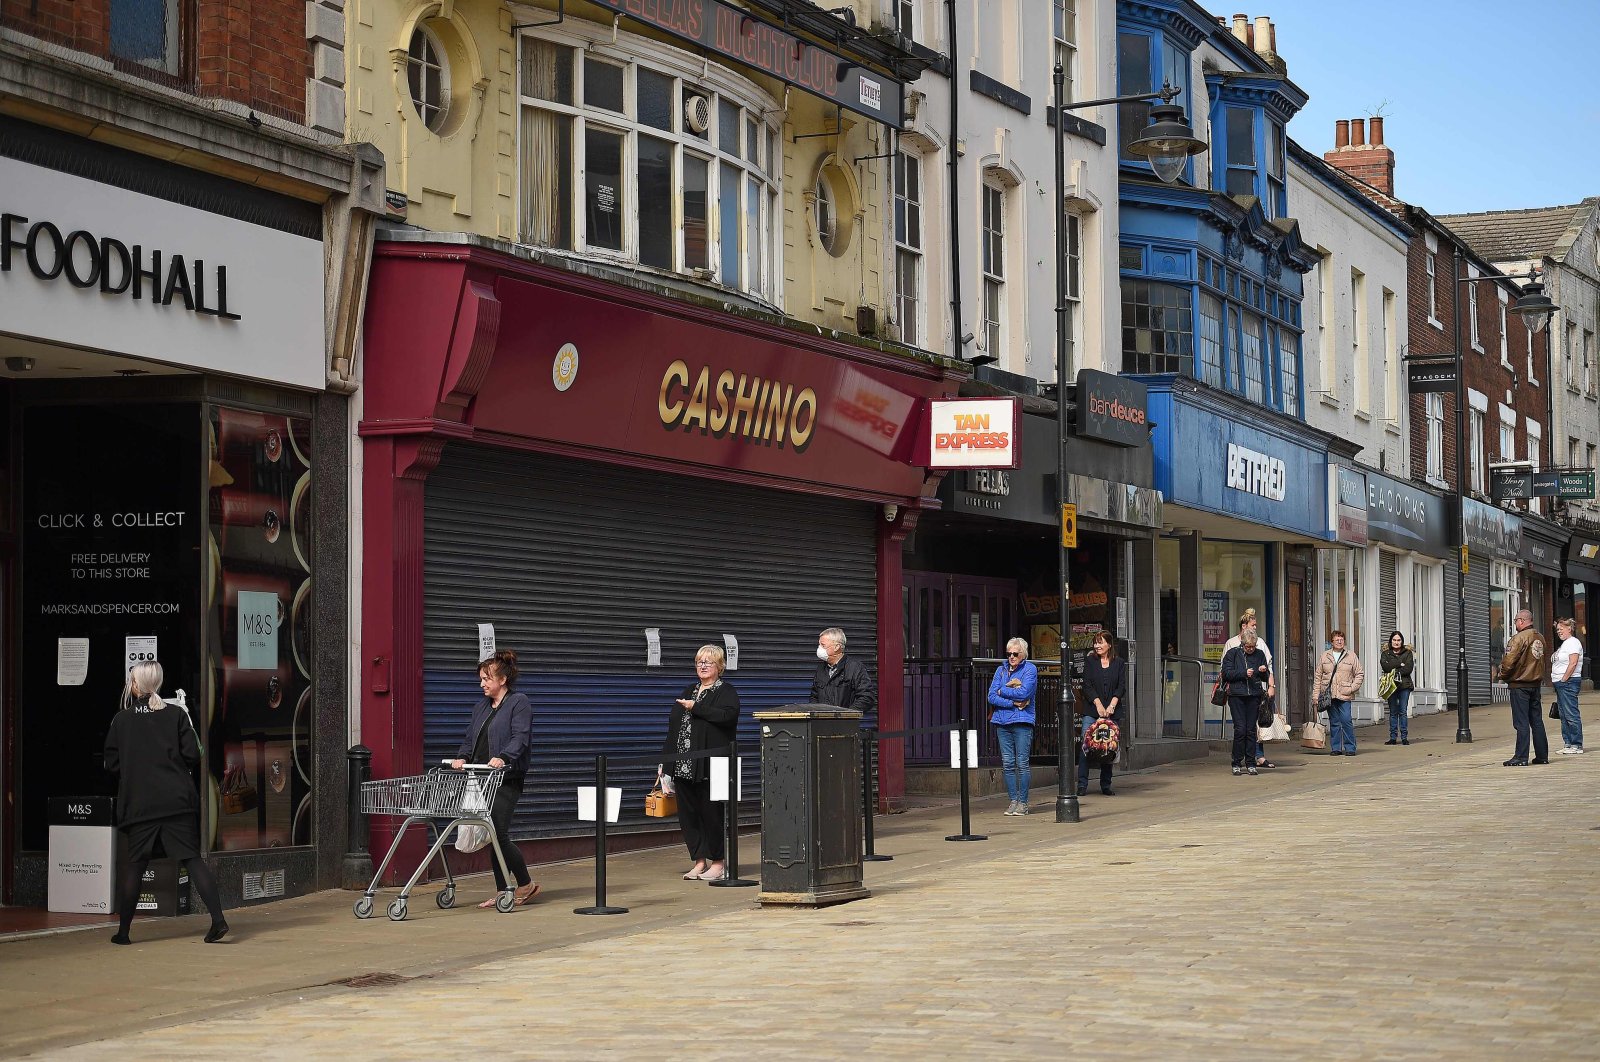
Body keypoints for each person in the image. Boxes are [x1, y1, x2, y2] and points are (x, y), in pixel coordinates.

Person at [102, 662, 229, 945]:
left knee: (135, 866)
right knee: (193, 860)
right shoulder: (176, 715)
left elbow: (111, 763)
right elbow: (194, 754)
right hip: (176, 801)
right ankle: (218, 920)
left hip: (140, 805)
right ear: (157, 684)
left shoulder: (121, 720)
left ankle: (123, 933)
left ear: (135, 686)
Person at [451, 649, 538, 908]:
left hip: (507, 777)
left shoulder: (519, 702)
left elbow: (520, 737)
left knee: (498, 832)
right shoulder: (481, 707)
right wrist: (462, 758)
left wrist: (504, 756)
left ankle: (526, 885)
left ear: (502, 679)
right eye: (480, 679)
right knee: (491, 834)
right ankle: (504, 891)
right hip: (481, 778)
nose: (482, 684)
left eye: (487, 679)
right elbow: (470, 739)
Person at [663, 645, 741, 882]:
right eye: (699, 662)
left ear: (719, 666)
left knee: (712, 815)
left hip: (712, 766)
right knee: (689, 816)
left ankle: (718, 862)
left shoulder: (725, 691)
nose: (703, 666)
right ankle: (699, 862)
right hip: (684, 766)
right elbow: (673, 730)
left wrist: (697, 708)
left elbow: (727, 717)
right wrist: (666, 767)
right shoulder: (690, 690)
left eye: (708, 662)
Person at [987, 637, 1038, 815]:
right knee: (1008, 763)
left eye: (1015, 654)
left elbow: (1025, 692)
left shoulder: (1030, 669)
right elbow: (991, 696)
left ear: (1023, 654)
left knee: (1022, 763)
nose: (1012, 657)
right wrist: (1013, 702)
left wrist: (1003, 690)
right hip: (1002, 721)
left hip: (1022, 721)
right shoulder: (1000, 670)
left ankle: (1023, 803)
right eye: (1009, 654)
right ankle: (1013, 801)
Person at [1222, 610, 1278, 769]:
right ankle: (1236, 762)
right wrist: (1243, 673)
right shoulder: (1233, 653)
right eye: (1248, 647)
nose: (1251, 649)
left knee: (1251, 730)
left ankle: (1251, 762)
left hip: (1254, 695)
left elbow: (1267, 674)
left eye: (1253, 647)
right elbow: (1226, 673)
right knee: (1240, 730)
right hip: (1237, 695)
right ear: (1243, 645)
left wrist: (1263, 672)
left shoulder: (1259, 653)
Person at [1498, 609, 1549, 766]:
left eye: (1515, 621)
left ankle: (1521, 757)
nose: (1515, 624)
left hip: (1520, 684)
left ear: (1521, 621)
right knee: (1537, 721)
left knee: (1521, 722)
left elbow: (1508, 662)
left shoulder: (1518, 639)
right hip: (1535, 684)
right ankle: (1542, 756)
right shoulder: (1540, 637)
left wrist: (1503, 675)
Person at [1077, 631, 1125, 797]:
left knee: (1108, 746)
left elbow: (1121, 687)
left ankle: (1106, 784)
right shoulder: (1090, 661)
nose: (1097, 646)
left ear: (1109, 645)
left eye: (1100, 642)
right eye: (1095, 643)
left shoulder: (1119, 663)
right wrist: (1097, 703)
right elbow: (1087, 684)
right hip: (1092, 710)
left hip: (1112, 711)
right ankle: (1082, 785)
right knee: (1086, 745)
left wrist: (1112, 705)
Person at [1312, 631, 1364, 757]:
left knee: (1346, 720)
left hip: (1344, 694)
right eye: (1337, 640)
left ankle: (1350, 747)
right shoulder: (1324, 656)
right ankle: (1336, 748)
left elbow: (1359, 674)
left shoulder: (1351, 656)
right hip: (1329, 694)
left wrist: (1351, 688)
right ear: (1332, 642)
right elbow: (1318, 677)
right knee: (1334, 722)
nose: (1340, 642)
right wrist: (1315, 696)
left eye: (1341, 639)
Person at [810, 627, 877, 714]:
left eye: (823, 645)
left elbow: (867, 697)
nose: (819, 648)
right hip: (821, 724)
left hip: (846, 725)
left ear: (836, 647)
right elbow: (814, 697)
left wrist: (847, 715)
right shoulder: (820, 669)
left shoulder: (855, 667)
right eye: (819, 645)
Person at [1551, 617, 1585, 755]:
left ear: (1569, 628)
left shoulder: (1573, 643)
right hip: (1561, 683)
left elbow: (1573, 663)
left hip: (1568, 683)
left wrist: (1564, 679)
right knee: (1563, 714)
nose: (1559, 631)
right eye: (1557, 629)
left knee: (1571, 713)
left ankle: (1576, 744)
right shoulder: (1565, 644)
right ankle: (1568, 743)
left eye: (1561, 629)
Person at [1380, 631, 1416, 745]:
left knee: (1403, 711)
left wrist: (1393, 666)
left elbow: (1408, 669)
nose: (1396, 642)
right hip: (1391, 686)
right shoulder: (1386, 653)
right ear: (1391, 641)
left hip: (1404, 685)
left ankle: (1404, 737)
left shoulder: (1408, 653)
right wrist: (1400, 664)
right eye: (1394, 640)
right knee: (1393, 712)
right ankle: (1393, 737)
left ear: (1402, 641)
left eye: (1398, 640)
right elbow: (1385, 667)